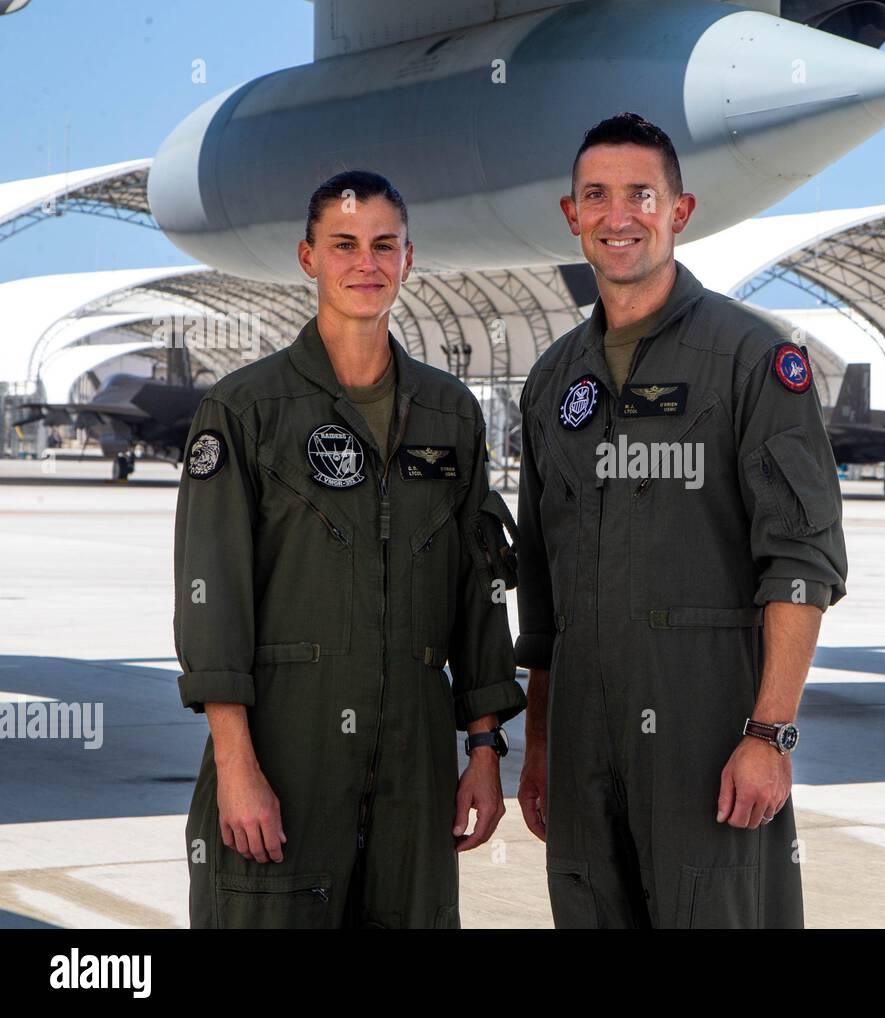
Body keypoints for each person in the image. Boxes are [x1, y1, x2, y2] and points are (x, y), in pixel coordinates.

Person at [513, 114, 849, 928]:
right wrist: (542, 744)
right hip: (583, 746)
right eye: (597, 196)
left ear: (680, 211)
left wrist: (770, 734)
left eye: (640, 195)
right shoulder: (553, 382)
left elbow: (801, 560)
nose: (618, 216)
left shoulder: (752, 360)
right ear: (572, 216)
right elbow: (542, 589)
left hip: (709, 738)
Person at [173, 170, 525, 928]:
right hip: (284, 758)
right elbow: (212, 598)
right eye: (344, 245)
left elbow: (479, 592)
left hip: (416, 769)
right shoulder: (244, 410)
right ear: (308, 258)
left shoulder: (449, 413)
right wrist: (237, 769)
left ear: (407, 259)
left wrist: (487, 751)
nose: (366, 263)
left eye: (383, 246)